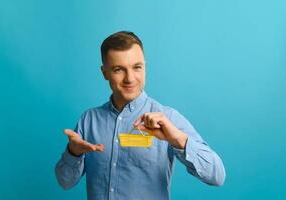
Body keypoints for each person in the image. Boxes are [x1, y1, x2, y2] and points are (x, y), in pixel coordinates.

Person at [55, 31, 226, 200]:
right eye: (118, 70)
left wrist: (178, 140)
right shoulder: (89, 121)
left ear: (145, 66)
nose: (130, 78)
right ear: (104, 73)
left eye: (137, 67)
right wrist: (73, 153)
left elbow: (217, 176)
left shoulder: (168, 118)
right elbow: (65, 182)